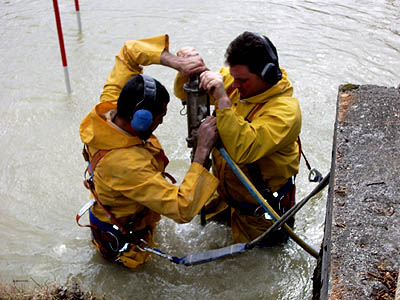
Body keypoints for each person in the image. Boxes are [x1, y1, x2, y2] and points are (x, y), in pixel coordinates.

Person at [78, 34, 219, 269]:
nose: (161, 123)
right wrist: (202, 152)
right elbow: (182, 209)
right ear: (141, 120)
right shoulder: (125, 164)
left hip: (119, 214)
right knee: (136, 268)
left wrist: (176, 63)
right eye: (159, 118)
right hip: (127, 241)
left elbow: (129, 52)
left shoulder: (109, 110)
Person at [174, 31, 302, 246]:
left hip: (260, 212)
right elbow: (183, 93)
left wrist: (223, 100)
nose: (235, 85)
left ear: (268, 75)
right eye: (233, 78)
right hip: (225, 199)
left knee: (259, 264)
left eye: (242, 80)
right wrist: (190, 70)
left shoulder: (286, 112)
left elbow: (243, 149)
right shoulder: (238, 81)